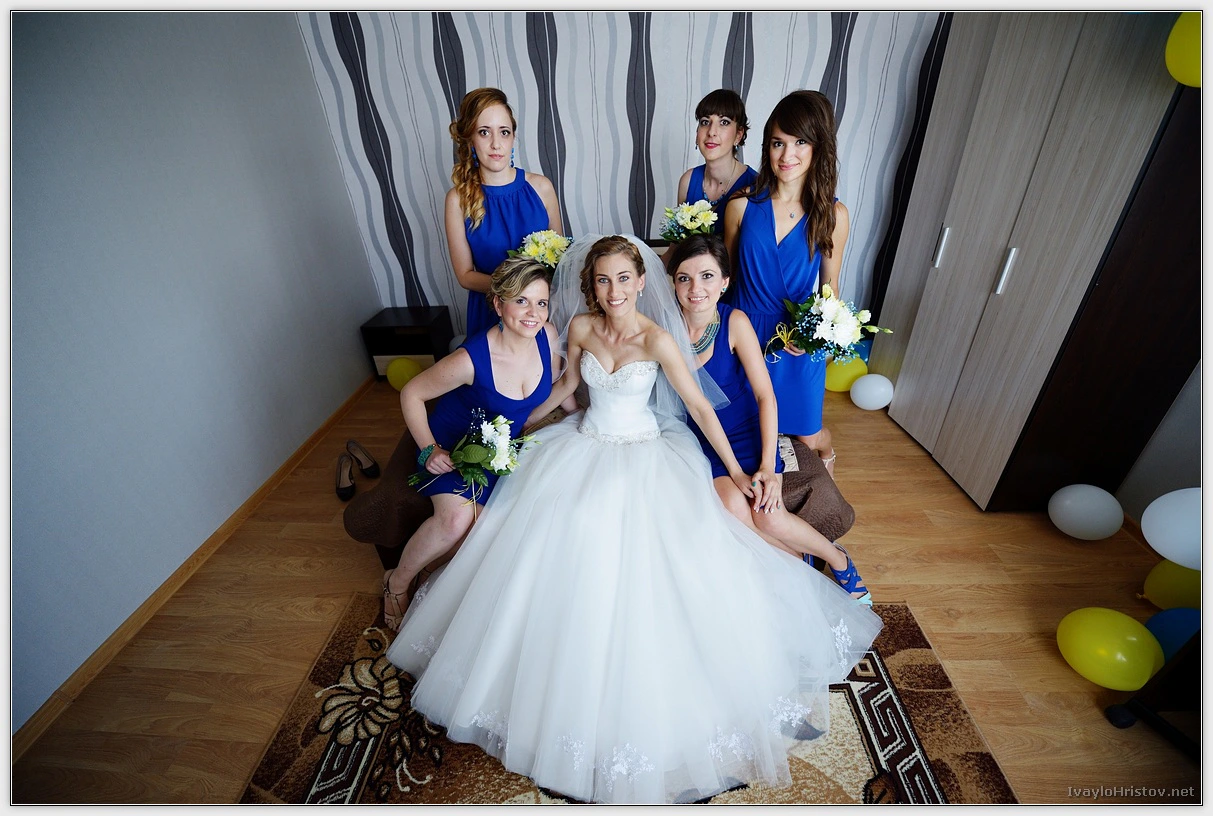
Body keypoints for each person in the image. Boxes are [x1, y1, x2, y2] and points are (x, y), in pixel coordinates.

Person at [385, 234, 882, 804]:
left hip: (647, 452)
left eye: (624, 278)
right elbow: (568, 386)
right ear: (590, 286)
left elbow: (700, 407)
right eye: (603, 280)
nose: (614, 290)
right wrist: (517, 430)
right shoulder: (580, 328)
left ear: (642, 282)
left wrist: (738, 471)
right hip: (585, 443)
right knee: (568, 528)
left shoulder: (657, 338)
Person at [668, 234, 870, 603]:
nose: (696, 288)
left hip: (745, 432)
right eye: (685, 278)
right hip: (702, 441)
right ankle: (803, 567)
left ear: (725, 282)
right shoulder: (664, 329)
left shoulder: (734, 322)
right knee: (732, 509)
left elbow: (765, 396)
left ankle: (837, 558)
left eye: (707, 276)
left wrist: (767, 466)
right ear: (673, 283)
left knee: (768, 515)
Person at [381, 257, 562, 631]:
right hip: (454, 450)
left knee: (515, 528)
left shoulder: (547, 335)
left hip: (501, 452)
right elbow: (411, 393)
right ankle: (396, 583)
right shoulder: (470, 359)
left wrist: (576, 413)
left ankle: (433, 575)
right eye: (521, 301)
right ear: (498, 304)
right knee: (457, 520)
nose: (533, 313)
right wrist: (429, 449)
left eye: (541, 302)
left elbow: (546, 396)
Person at [723, 90, 847, 476]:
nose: (786, 155)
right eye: (778, 143)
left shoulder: (832, 215)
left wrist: (817, 339)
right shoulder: (741, 205)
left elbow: (829, 291)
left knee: (806, 437)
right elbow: (725, 282)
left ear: (818, 147)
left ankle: (826, 448)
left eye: (800, 143)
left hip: (797, 339)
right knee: (747, 430)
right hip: (744, 333)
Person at [446, 87, 563, 337]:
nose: (496, 144)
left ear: (513, 138)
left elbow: (560, 258)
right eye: (484, 132)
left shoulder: (542, 187)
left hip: (539, 312)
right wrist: (516, 289)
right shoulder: (457, 200)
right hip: (490, 311)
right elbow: (465, 276)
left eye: (504, 132)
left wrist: (531, 296)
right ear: (470, 139)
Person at [674, 89, 757, 230]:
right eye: (705, 122)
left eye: (724, 122)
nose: (711, 132)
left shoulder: (755, 186)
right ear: (697, 133)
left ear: (738, 135)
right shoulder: (687, 181)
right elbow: (679, 242)